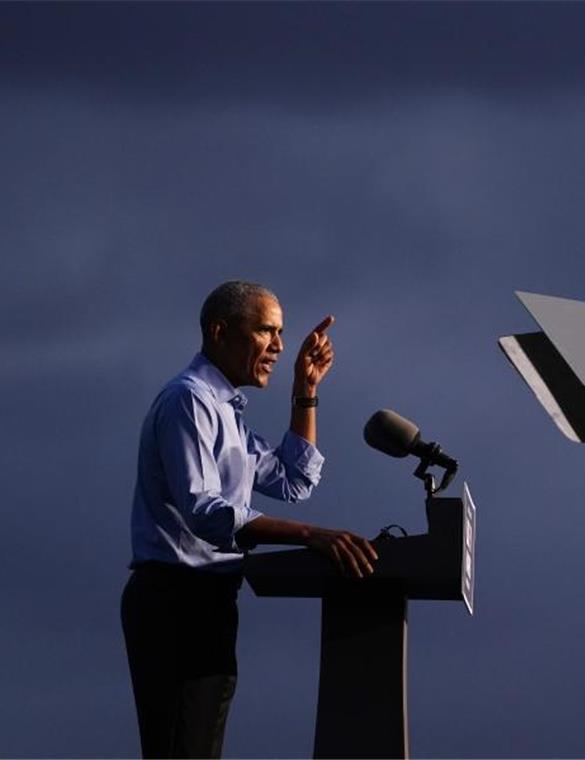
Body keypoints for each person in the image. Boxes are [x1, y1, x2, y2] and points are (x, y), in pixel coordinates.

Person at [121, 280, 378, 759]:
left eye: (281, 334)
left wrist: (305, 390)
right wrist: (311, 537)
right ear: (220, 331)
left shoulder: (226, 412)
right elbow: (205, 511)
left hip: (209, 600)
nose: (279, 346)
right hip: (174, 601)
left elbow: (293, 480)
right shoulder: (189, 400)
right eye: (266, 331)